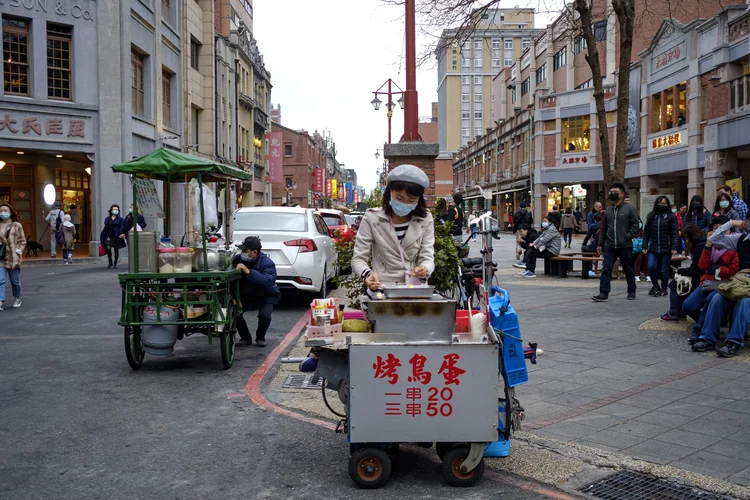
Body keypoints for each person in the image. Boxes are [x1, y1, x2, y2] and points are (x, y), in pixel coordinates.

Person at [352, 164, 434, 293]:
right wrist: (367, 274)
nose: (405, 203)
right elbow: (358, 258)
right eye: (399, 198)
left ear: (419, 200)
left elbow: (427, 256)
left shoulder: (425, 219)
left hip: (413, 288)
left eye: (411, 199)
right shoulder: (372, 218)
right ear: (389, 193)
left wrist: (425, 269)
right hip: (381, 289)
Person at [691, 216, 748, 357]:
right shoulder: (742, 239)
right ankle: (708, 338)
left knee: (744, 302)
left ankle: (733, 342)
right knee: (717, 297)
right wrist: (730, 223)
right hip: (738, 280)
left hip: (744, 284)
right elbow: (714, 239)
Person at [672, 218, 737, 333]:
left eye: (722, 228)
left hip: (725, 283)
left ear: (729, 230)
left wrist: (718, 270)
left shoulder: (735, 244)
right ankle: (708, 324)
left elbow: (734, 269)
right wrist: (708, 246)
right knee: (687, 306)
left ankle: (704, 329)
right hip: (708, 282)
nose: (719, 231)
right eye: (715, 228)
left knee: (710, 301)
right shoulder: (709, 244)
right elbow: (702, 266)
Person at [592, 183, 641, 302]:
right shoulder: (608, 211)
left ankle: (631, 290)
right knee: (606, 269)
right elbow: (604, 229)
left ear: (622, 194)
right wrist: (600, 243)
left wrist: (628, 236)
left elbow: (636, 225)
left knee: (628, 269)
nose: (612, 194)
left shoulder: (629, 209)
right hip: (610, 245)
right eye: (611, 192)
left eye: (615, 192)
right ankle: (603, 293)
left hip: (625, 245)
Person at [232, 236, 280, 347]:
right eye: (242, 250)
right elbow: (232, 281)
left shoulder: (267, 263)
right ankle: (245, 337)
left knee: (265, 316)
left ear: (254, 252)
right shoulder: (237, 260)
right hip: (246, 294)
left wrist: (248, 271)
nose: (242, 252)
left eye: (245, 250)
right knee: (235, 312)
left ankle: (260, 336)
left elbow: (267, 281)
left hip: (266, 295)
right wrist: (235, 297)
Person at [659, 224, 708, 322]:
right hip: (702, 274)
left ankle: (674, 312)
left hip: (702, 276)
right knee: (681, 281)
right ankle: (679, 311)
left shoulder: (699, 245)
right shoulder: (702, 242)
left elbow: (697, 267)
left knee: (676, 283)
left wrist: (684, 271)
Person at [642, 195, 679, 297]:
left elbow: (674, 233)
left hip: (666, 248)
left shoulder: (671, 217)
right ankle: (655, 286)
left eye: (664, 203)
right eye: (660, 203)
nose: (662, 205)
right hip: (653, 248)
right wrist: (644, 245)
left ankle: (663, 288)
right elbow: (646, 233)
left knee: (664, 270)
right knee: (651, 267)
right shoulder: (651, 216)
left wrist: (674, 246)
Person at [0, 203, 25, 311]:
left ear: (10, 212)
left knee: (15, 281)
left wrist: (18, 252)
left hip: (13, 258)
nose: (3, 213)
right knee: (0, 280)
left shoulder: (17, 225)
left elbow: (22, 241)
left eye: (5, 211)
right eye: (1, 211)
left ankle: (17, 297)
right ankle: (0, 301)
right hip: (0, 257)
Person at [100, 205, 125, 269]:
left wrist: (122, 233)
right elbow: (106, 227)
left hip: (116, 236)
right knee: (108, 248)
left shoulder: (120, 219)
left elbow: (122, 227)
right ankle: (110, 262)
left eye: (117, 209)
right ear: (111, 210)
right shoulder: (108, 219)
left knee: (116, 249)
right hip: (109, 235)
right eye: (114, 209)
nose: (115, 211)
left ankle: (115, 263)